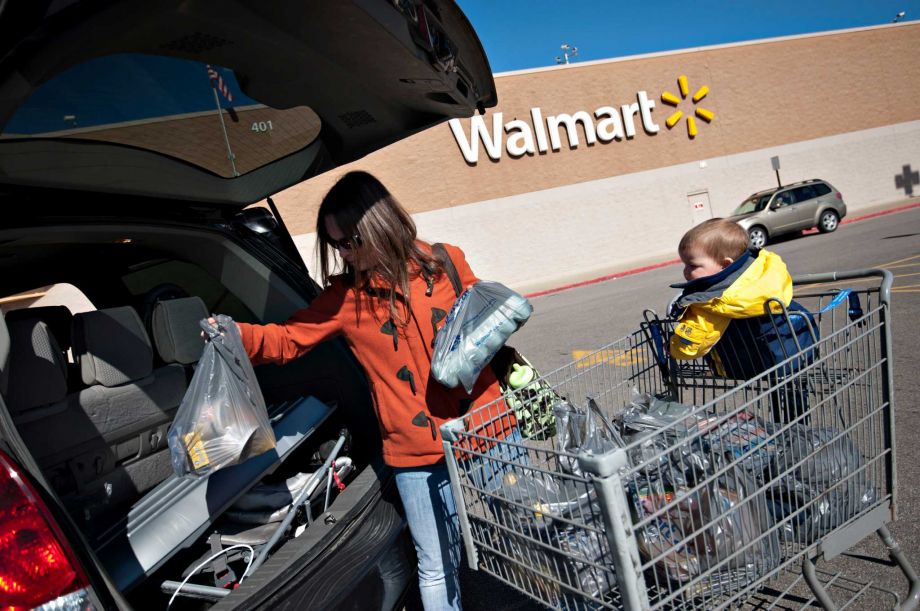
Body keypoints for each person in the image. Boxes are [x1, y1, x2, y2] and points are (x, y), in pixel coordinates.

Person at [224, 171, 512, 611]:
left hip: (483, 422)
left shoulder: (446, 262)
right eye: (335, 244)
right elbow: (286, 340)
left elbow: (484, 323)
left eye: (351, 241)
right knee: (435, 565)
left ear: (381, 224)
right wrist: (232, 336)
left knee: (537, 527)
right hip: (415, 447)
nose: (344, 253)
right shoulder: (344, 299)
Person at [668, 218, 814, 422]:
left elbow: (691, 347)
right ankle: (798, 432)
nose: (685, 271)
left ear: (725, 264)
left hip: (750, 365)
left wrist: (673, 346)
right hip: (796, 351)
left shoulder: (713, 301)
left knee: (783, 390)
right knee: (793, 395)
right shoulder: (761, 272)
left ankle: (794, 437)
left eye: (692, 265)